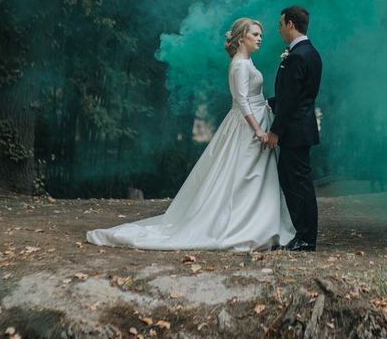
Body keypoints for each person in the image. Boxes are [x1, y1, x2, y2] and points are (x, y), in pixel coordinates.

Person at [86, 18, 295, 251]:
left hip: (257, 117)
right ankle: (243, 226)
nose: (259, 38)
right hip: (248, 125)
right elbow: (242, 100)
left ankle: (260, 224)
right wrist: (257, 129)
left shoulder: (247, 61)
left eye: (260, 35)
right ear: (241, 37)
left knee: (256, 174)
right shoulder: (239, 64)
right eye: (255, 34)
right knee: (245, 173)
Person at [266, 6, 322, 252]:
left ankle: (307, 238)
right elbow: (293, 95)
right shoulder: (309, 52)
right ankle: (302, 233)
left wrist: (275, 131)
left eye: (280, 24)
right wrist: (264, 104)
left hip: (295, 130)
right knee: (290, 180)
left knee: (299, 183)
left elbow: (290, 100)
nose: (278, 29)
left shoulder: (298, 55)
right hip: (299, 127)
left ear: (290, 24)